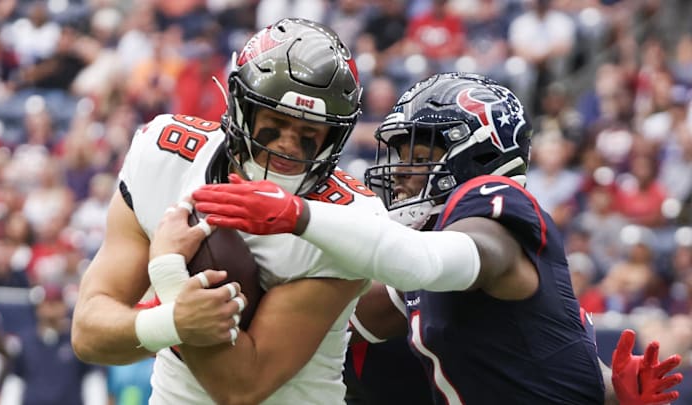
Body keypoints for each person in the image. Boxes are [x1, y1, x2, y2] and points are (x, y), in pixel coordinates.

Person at [191, 73, 684, 404]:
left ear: (478, 154)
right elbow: (337, 324)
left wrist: (300, 216)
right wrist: (184, 305)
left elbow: (431, 262)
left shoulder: (494, 204)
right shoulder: (421, 252)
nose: (401, 172)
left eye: (420, 152)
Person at [71, 18, 388, 404]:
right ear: (242, 107)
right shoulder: (165, 155)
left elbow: (242, 387)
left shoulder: (350, 216)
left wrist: (170, 273)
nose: (288, 146)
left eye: (309, 133)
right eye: (276, 122)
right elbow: (88, 333)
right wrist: (171, 321)